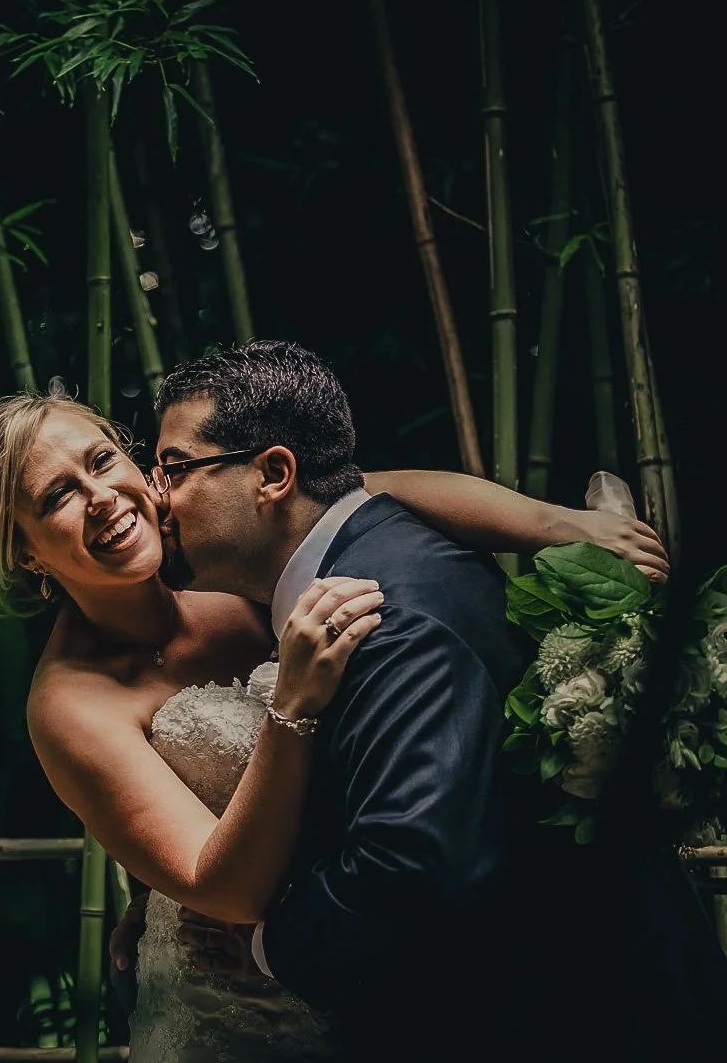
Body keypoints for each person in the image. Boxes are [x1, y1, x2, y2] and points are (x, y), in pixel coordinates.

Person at [0, 370, 669, 1062]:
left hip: (360, 937)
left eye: (103, 460)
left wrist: (563, 527)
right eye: (57, 498)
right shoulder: (69, 701)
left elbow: (358, 495)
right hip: (235, 987)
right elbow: (223, 886)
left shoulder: (210, 547)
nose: (102, 496)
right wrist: (289, 708)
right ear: (26, 555)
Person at [145, 340, 663, 1059]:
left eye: (175, 467)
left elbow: (411, 861)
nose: (157, 496)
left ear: (272, 474)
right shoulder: (366, 560)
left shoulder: (385, 614)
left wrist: (268, 948)